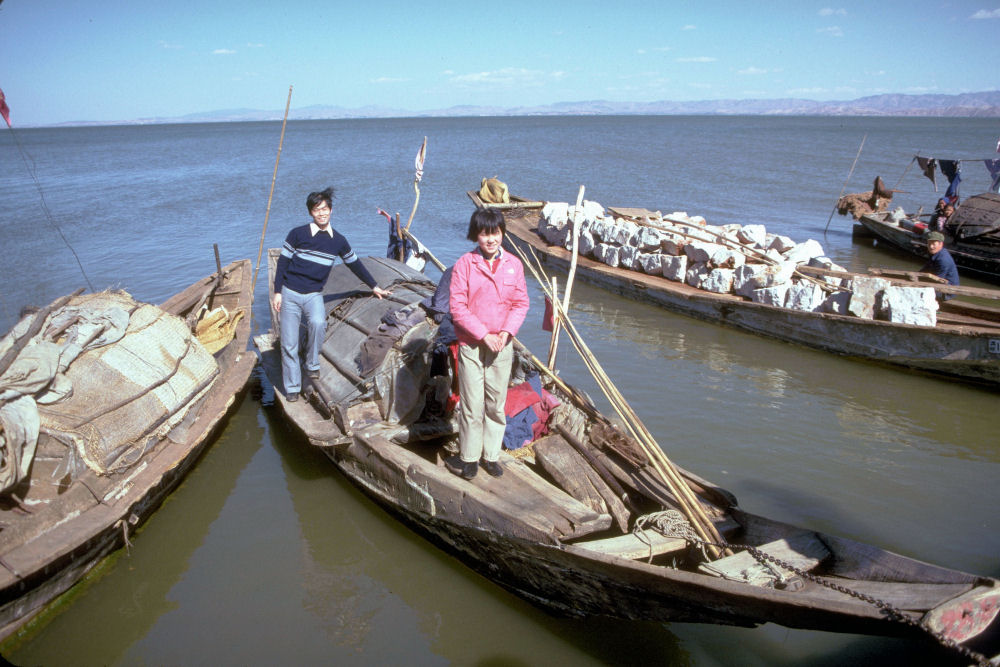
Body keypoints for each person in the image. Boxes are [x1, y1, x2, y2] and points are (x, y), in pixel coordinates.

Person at [272, 186, 391, 402]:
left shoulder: (338, 240)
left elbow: (355, 264)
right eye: (317, 210)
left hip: (314, 295)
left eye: (325, 209)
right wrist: (277, 292)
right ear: (311, 212)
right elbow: (282, 263)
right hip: (290, 293)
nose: (321, 213)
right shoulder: (297, 234)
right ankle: (292, 387)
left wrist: (374, 286)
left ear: (331, 210)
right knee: (289, 343)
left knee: (318, 323)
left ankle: (312, 363)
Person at [445, 208, 529, 480]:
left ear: (502, 233)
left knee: (495, 403)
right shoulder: (464, 265)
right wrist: (484, 335)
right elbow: (457, 308)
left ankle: (490, 455)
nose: (491, 239)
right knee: (472, 403)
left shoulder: (514, 265)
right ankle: (469, 457)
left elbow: (520, 304)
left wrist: (506, 332)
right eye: (484, 234)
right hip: (471, 343)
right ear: (475, 236)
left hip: (502, 344)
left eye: (495, 233)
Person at [920, 231, 959, 299]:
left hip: (947, 292)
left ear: (941, 244)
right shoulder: (936, 254)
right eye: (929, 244)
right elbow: (923, 270)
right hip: (938, 284)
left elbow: (937, 280)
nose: (931, 247)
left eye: (934, 244)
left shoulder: (943, 259)